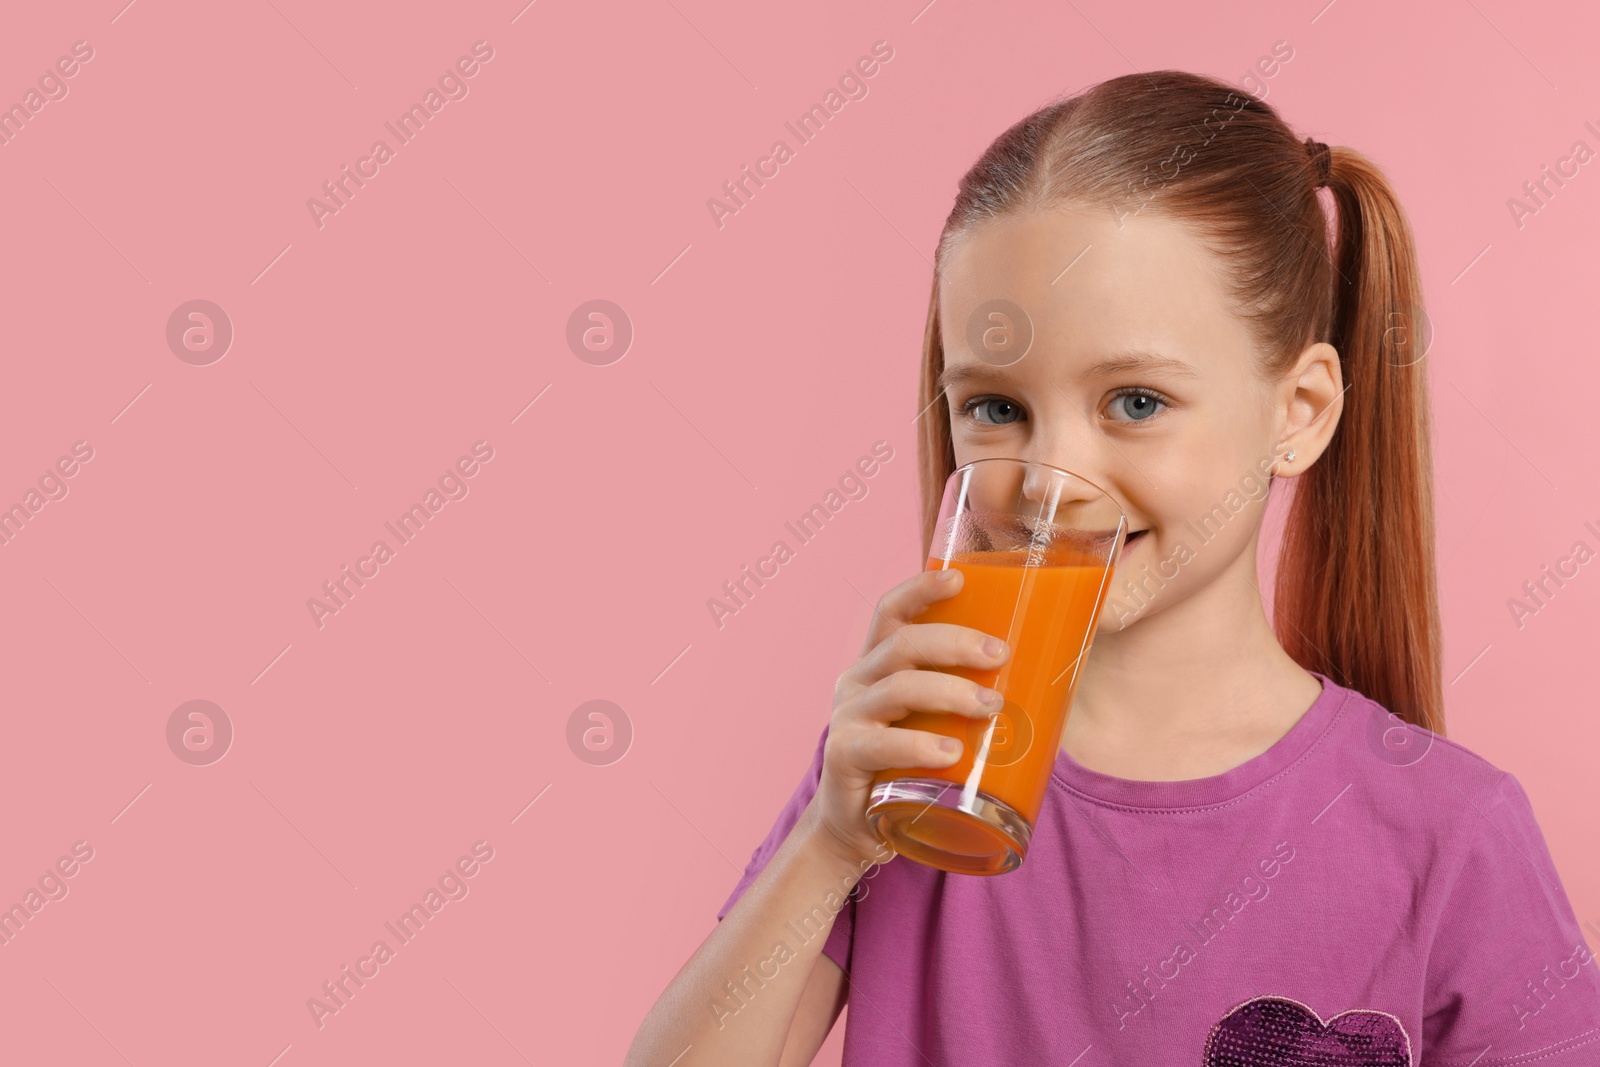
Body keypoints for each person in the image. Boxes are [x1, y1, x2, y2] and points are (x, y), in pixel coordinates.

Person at [624, 69, 1600, 1066]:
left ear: (1296, 412)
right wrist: (827, 843)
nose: (1053, 482)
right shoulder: (911, 769)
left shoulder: (1449, 833)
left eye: (1134, 401)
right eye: (996, 408)